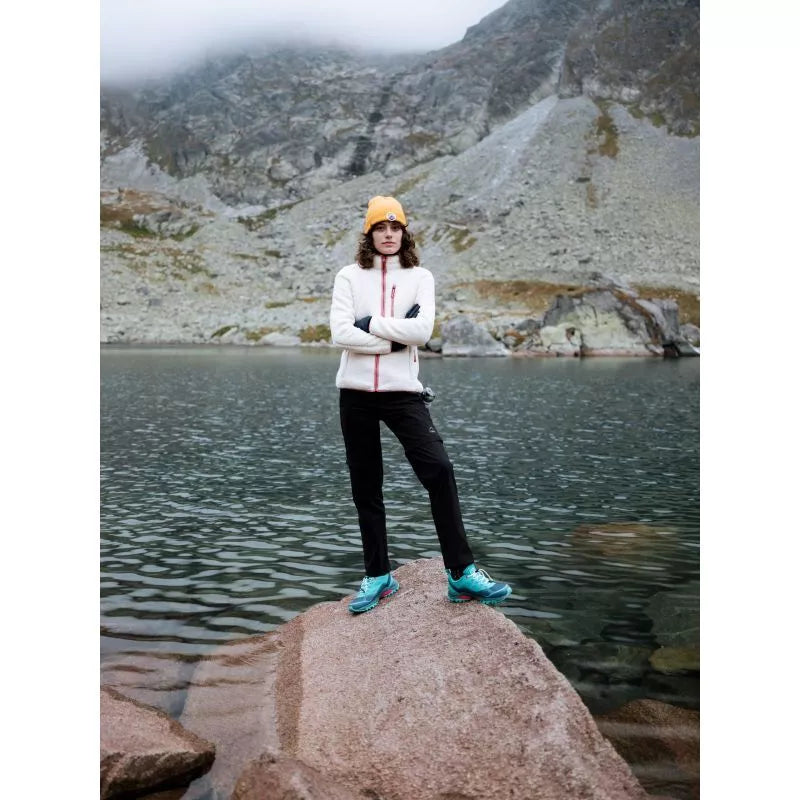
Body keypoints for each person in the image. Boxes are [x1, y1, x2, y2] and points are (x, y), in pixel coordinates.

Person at [329, 195, 512, 614]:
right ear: (369, 234)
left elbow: (423, 330)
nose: (388, 235)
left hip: (403, 392)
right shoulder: (348, 276)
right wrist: (396, 339)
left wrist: (371, 326)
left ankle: (461, 573)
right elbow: (340, 332)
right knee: (366, 484)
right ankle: (378, 575)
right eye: (380, 228)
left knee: (439, 470)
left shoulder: (420, 277)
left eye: (395, 228)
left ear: (404, 233)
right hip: (355, 393)